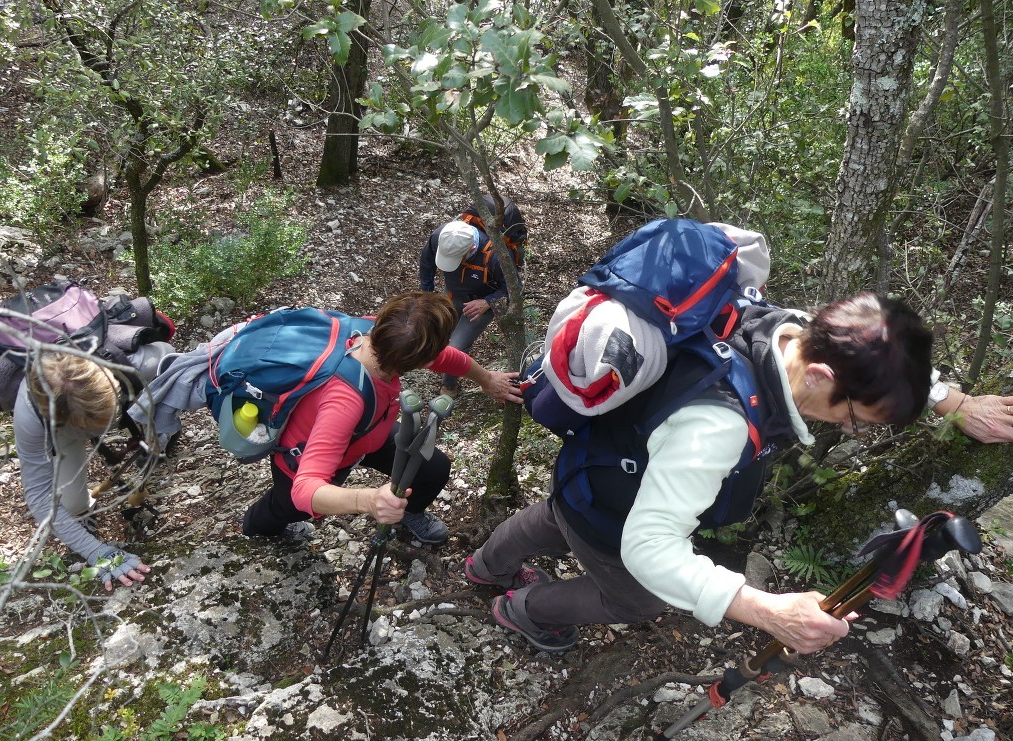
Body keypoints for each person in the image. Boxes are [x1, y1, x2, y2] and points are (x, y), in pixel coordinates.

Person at [465, 292, 938, 653]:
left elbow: (882, 349)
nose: (852, 430)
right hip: (613, 510)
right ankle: (522, 609)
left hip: (588, 464)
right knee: (639, 599)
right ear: (819, 376)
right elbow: (648, 546)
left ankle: (485, 566)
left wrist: (953, 401)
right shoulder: (719, 425)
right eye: (857, 418)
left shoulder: (772, 323)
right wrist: (765, 610)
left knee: (554, 517)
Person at [218, 292, 524, 545]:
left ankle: (409, 514)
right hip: (310, 453)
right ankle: (255, 532)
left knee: (433, 468)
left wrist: (486, 379)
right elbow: (305, 489)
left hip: (368, 430)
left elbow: (445, 357)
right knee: (290, 509)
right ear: (417, 360)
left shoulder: (380, 335)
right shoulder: (345, 399)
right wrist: (368, 500)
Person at [11, 343, 172, 592]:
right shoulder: (30, 414)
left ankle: (161, 434)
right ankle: (84, 508)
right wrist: (95, 551)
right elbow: (40, 494)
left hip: (124, 395)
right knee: (72, 506)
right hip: (63, 427)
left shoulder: (140, 361)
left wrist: (161, 421)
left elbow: (180, 372)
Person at [419, 195, 528, 398]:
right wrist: (426, 294)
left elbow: (514, 288)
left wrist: (487, 302)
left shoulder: (495, 255)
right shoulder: (441, 236)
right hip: (451, 296)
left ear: (470, 249)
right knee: (435, 333)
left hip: (479, 305)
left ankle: (449, 387)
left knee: (455, 347)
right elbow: (426, 264)